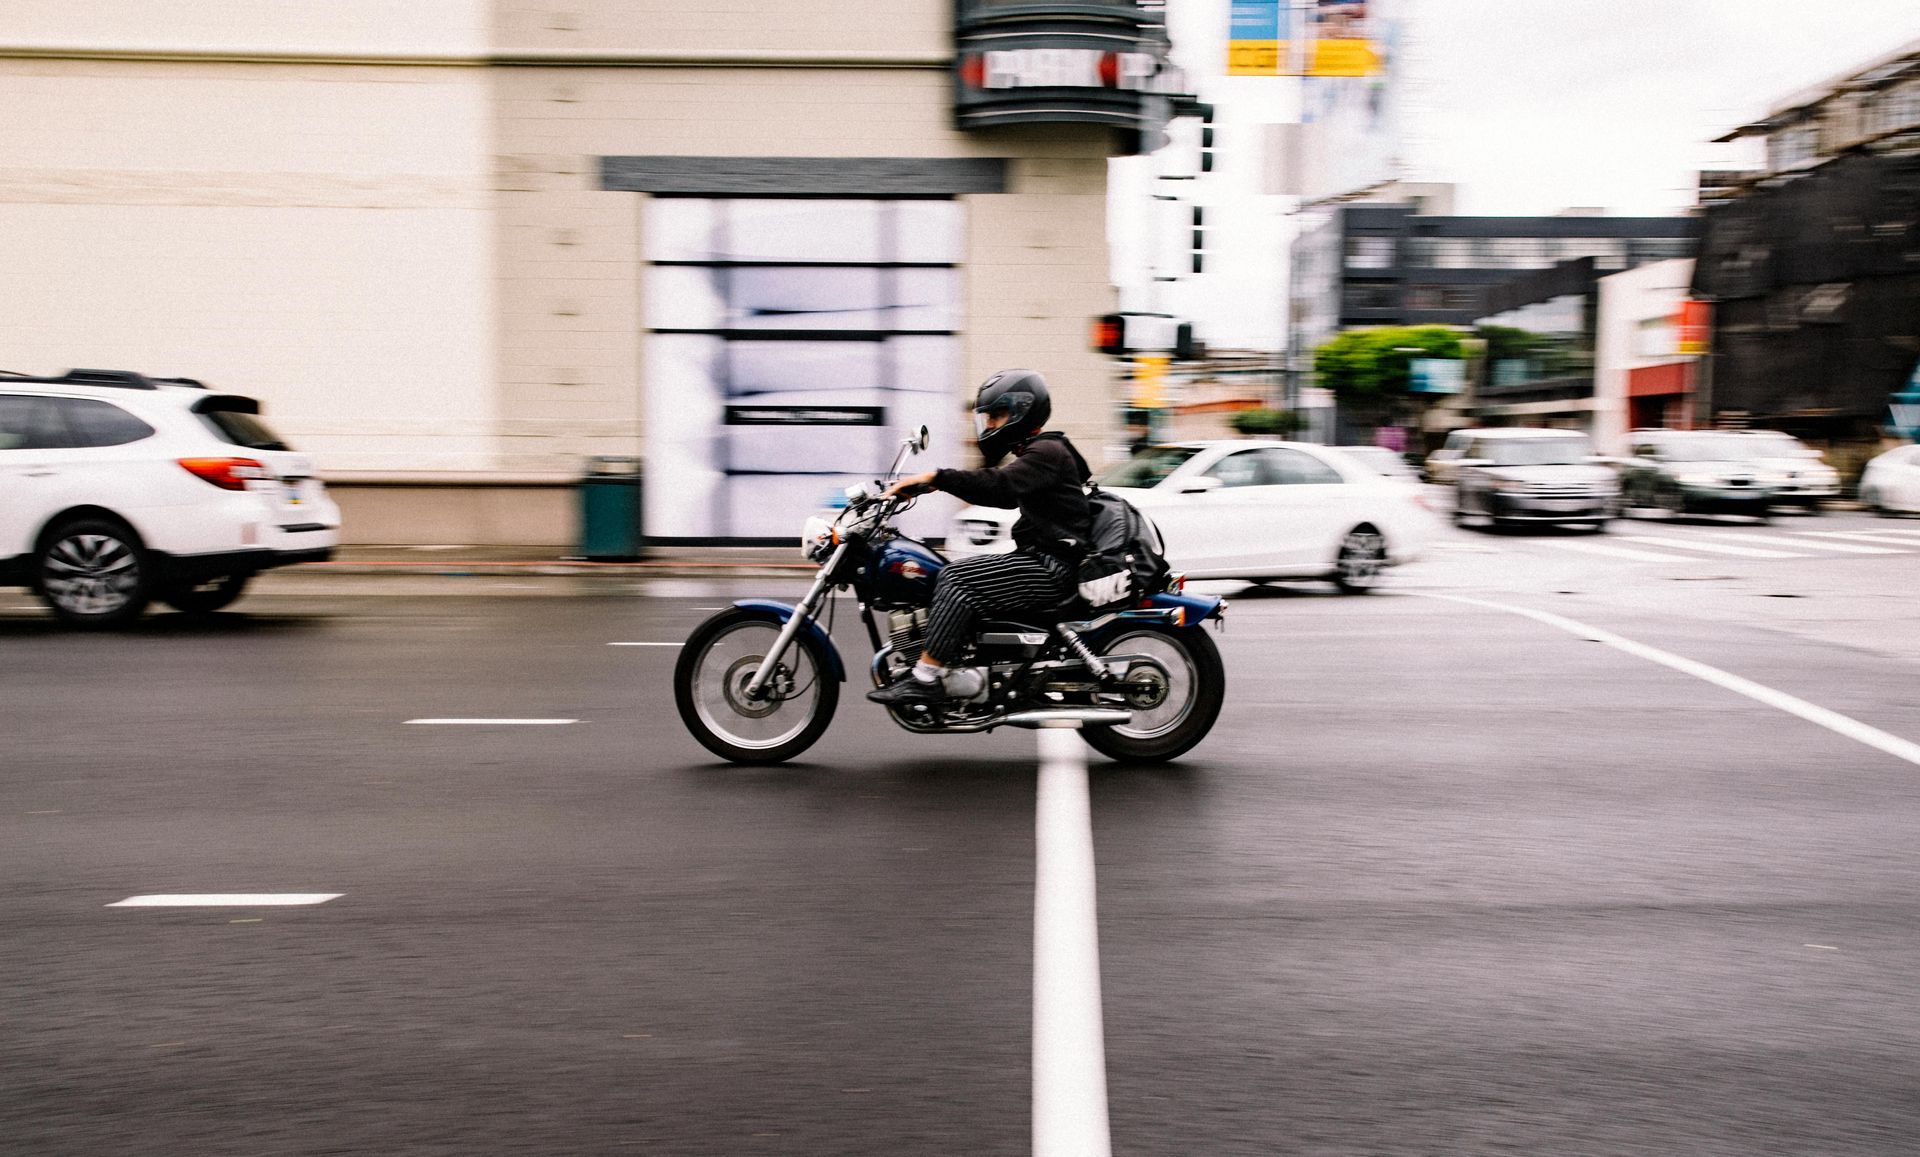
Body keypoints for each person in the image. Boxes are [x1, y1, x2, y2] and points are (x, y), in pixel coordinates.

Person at [867, 369, 1092, 706]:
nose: (988, 426)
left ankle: (927, 678)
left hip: (1053, 568)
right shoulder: (1041, 454)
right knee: (956, 571)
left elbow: (998, 485)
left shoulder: (1047, 452)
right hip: (1044, 560)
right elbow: (1003, 493)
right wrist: (926, 486)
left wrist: (937, 477)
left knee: (955, 578)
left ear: (1021, 411)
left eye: (996, 416)